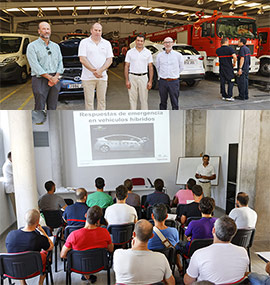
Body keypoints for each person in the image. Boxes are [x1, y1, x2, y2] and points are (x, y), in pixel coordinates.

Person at [184, 215, 249, 284]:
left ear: (213, 230)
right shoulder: (243, 252)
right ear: (234, 233)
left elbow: (188, 282)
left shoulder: (199, 254)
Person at [60, 206, 114, 282]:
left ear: (85, 215)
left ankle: (86, 273)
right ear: (98, 221)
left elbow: (62, 255)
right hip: (99, 265)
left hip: (78, 266)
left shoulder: (74, 235)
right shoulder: (105, 232)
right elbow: (111, 249)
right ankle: (87, 274)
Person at [113, 219, 175, 285]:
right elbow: (171, 283)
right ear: (152, 236)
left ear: (134, 234)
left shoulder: (118, 254)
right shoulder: (161, 258)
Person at [6, 209, 54, 285]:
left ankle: (23, 282)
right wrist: (43, 232)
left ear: (25, 219)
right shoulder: (39, 238)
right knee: (46, 254)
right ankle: (40, 283)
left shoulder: (10, 235)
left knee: (17, 254)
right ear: (38, 222)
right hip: (33, 268)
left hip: (12, 268)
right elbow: (51, 247)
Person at [26, 21, 64, 110]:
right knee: (40, 106)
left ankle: (52, 123)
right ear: (39, 31)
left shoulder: (56, 46)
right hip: (40, 79)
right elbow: (34, 65)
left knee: (53, 106)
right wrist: (50, 78)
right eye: (44, 29)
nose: (46, 31)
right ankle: (39, 123)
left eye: (48, 29)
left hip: (55, 78)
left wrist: (56, 77)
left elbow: (60, 62)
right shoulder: (32, 46)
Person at [78, 22, 113, 110]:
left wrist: (100, 71)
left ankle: (100, 121)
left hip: (102, 77)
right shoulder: (84, 42)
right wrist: (94, 71)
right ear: (91, 31)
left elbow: (109, 59)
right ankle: (90, 122)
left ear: (101, 32)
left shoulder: (106, 43)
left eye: (99, 30)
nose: (97, 32)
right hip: (88, 77)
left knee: (102, 101)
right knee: (89, 102)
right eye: (96, 30)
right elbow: (82, 59)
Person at [148, 203, 183, 273]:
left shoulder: (146, 233)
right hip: (168, 264)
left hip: (150, 265)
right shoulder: (174, 231)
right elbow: (176, 250)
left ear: (152, 216)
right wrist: (179, 266)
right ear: (167, 216)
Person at [124, 34, 153, 110]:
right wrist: (127, 80)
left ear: (144, 42)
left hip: (144, 77)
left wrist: (150, 81)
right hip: (132, 77)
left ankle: (144, 117)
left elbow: (150, 67)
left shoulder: (148, 52)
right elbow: (126, 66)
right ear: (135, 41)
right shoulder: (130, 52)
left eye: (141, 41)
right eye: (138, 41)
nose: (139, 42)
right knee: (132, 98)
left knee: (144, 99)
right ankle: (133, 117)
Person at [156, 37, 184, 110]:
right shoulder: (159, 55)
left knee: (175, 102)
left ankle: (175, 118)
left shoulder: (178, 55)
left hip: (174, 82)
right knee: (163, 102)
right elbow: (158, 67)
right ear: (163, 44)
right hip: (163, 82)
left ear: (172, 43)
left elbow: (181, 67)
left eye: (169, 42)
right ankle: (162, 118)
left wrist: (173, 74)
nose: (167, 44)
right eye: (166, 42)